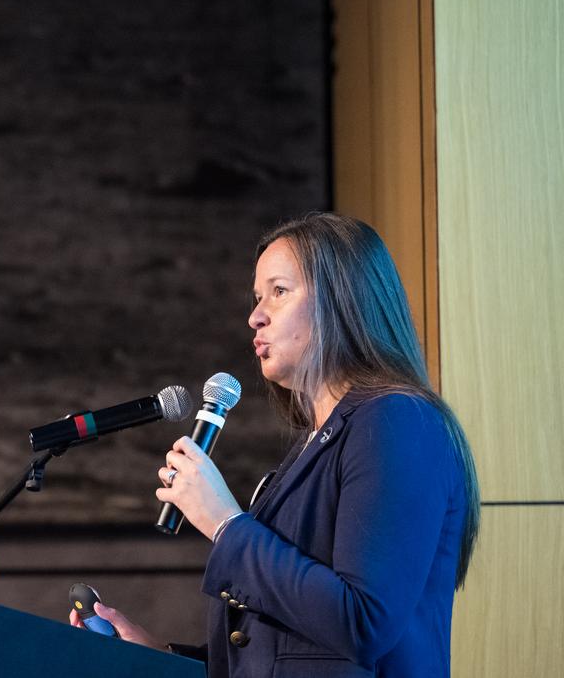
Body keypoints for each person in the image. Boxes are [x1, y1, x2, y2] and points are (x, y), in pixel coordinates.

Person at [71, 213, 479, 677]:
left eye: (279, 291)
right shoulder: (316, 441)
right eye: (257, 297)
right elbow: (285, 652)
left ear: (342, 300)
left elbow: (363, 622)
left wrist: (225, 523)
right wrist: (158, 656)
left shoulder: (396, 419)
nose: (255, 316)